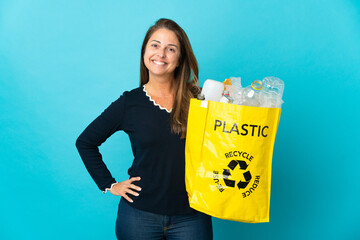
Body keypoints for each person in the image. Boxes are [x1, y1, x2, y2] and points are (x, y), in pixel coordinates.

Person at [75, 18, 213, 240]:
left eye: (171, 49)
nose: (161, 54)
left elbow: (221, 146)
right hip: (138, 217)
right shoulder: (130, 103)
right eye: (155, 45)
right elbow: (85, 142)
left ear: (179, 59)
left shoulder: (199, 100)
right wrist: (109, 184)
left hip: (192, 216)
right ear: (144, 52)